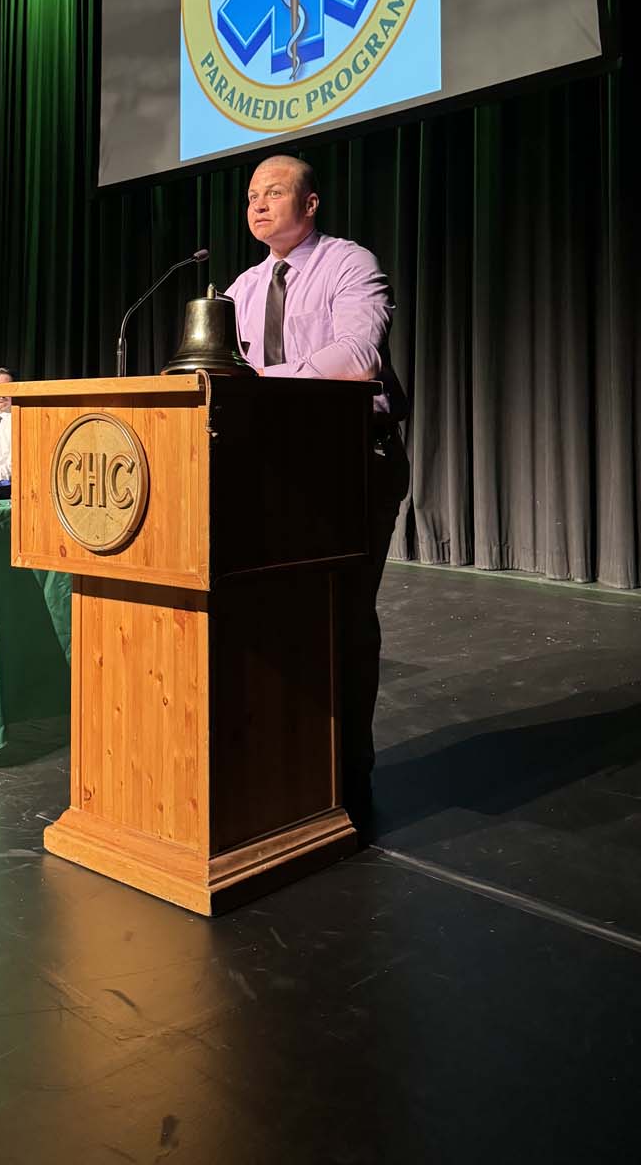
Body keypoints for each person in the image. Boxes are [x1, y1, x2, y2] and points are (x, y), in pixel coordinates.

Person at [225, 155, 409, 827]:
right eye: (251, 196)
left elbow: (356, 356)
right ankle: (293, 765)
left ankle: (349, 780)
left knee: (343, 620)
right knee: (278, 621)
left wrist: (267, 385)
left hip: (353, 461)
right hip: (273, 468)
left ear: (310, 204)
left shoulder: (348, 265)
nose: (259, 205)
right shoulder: (241, 287)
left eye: (275, 192)